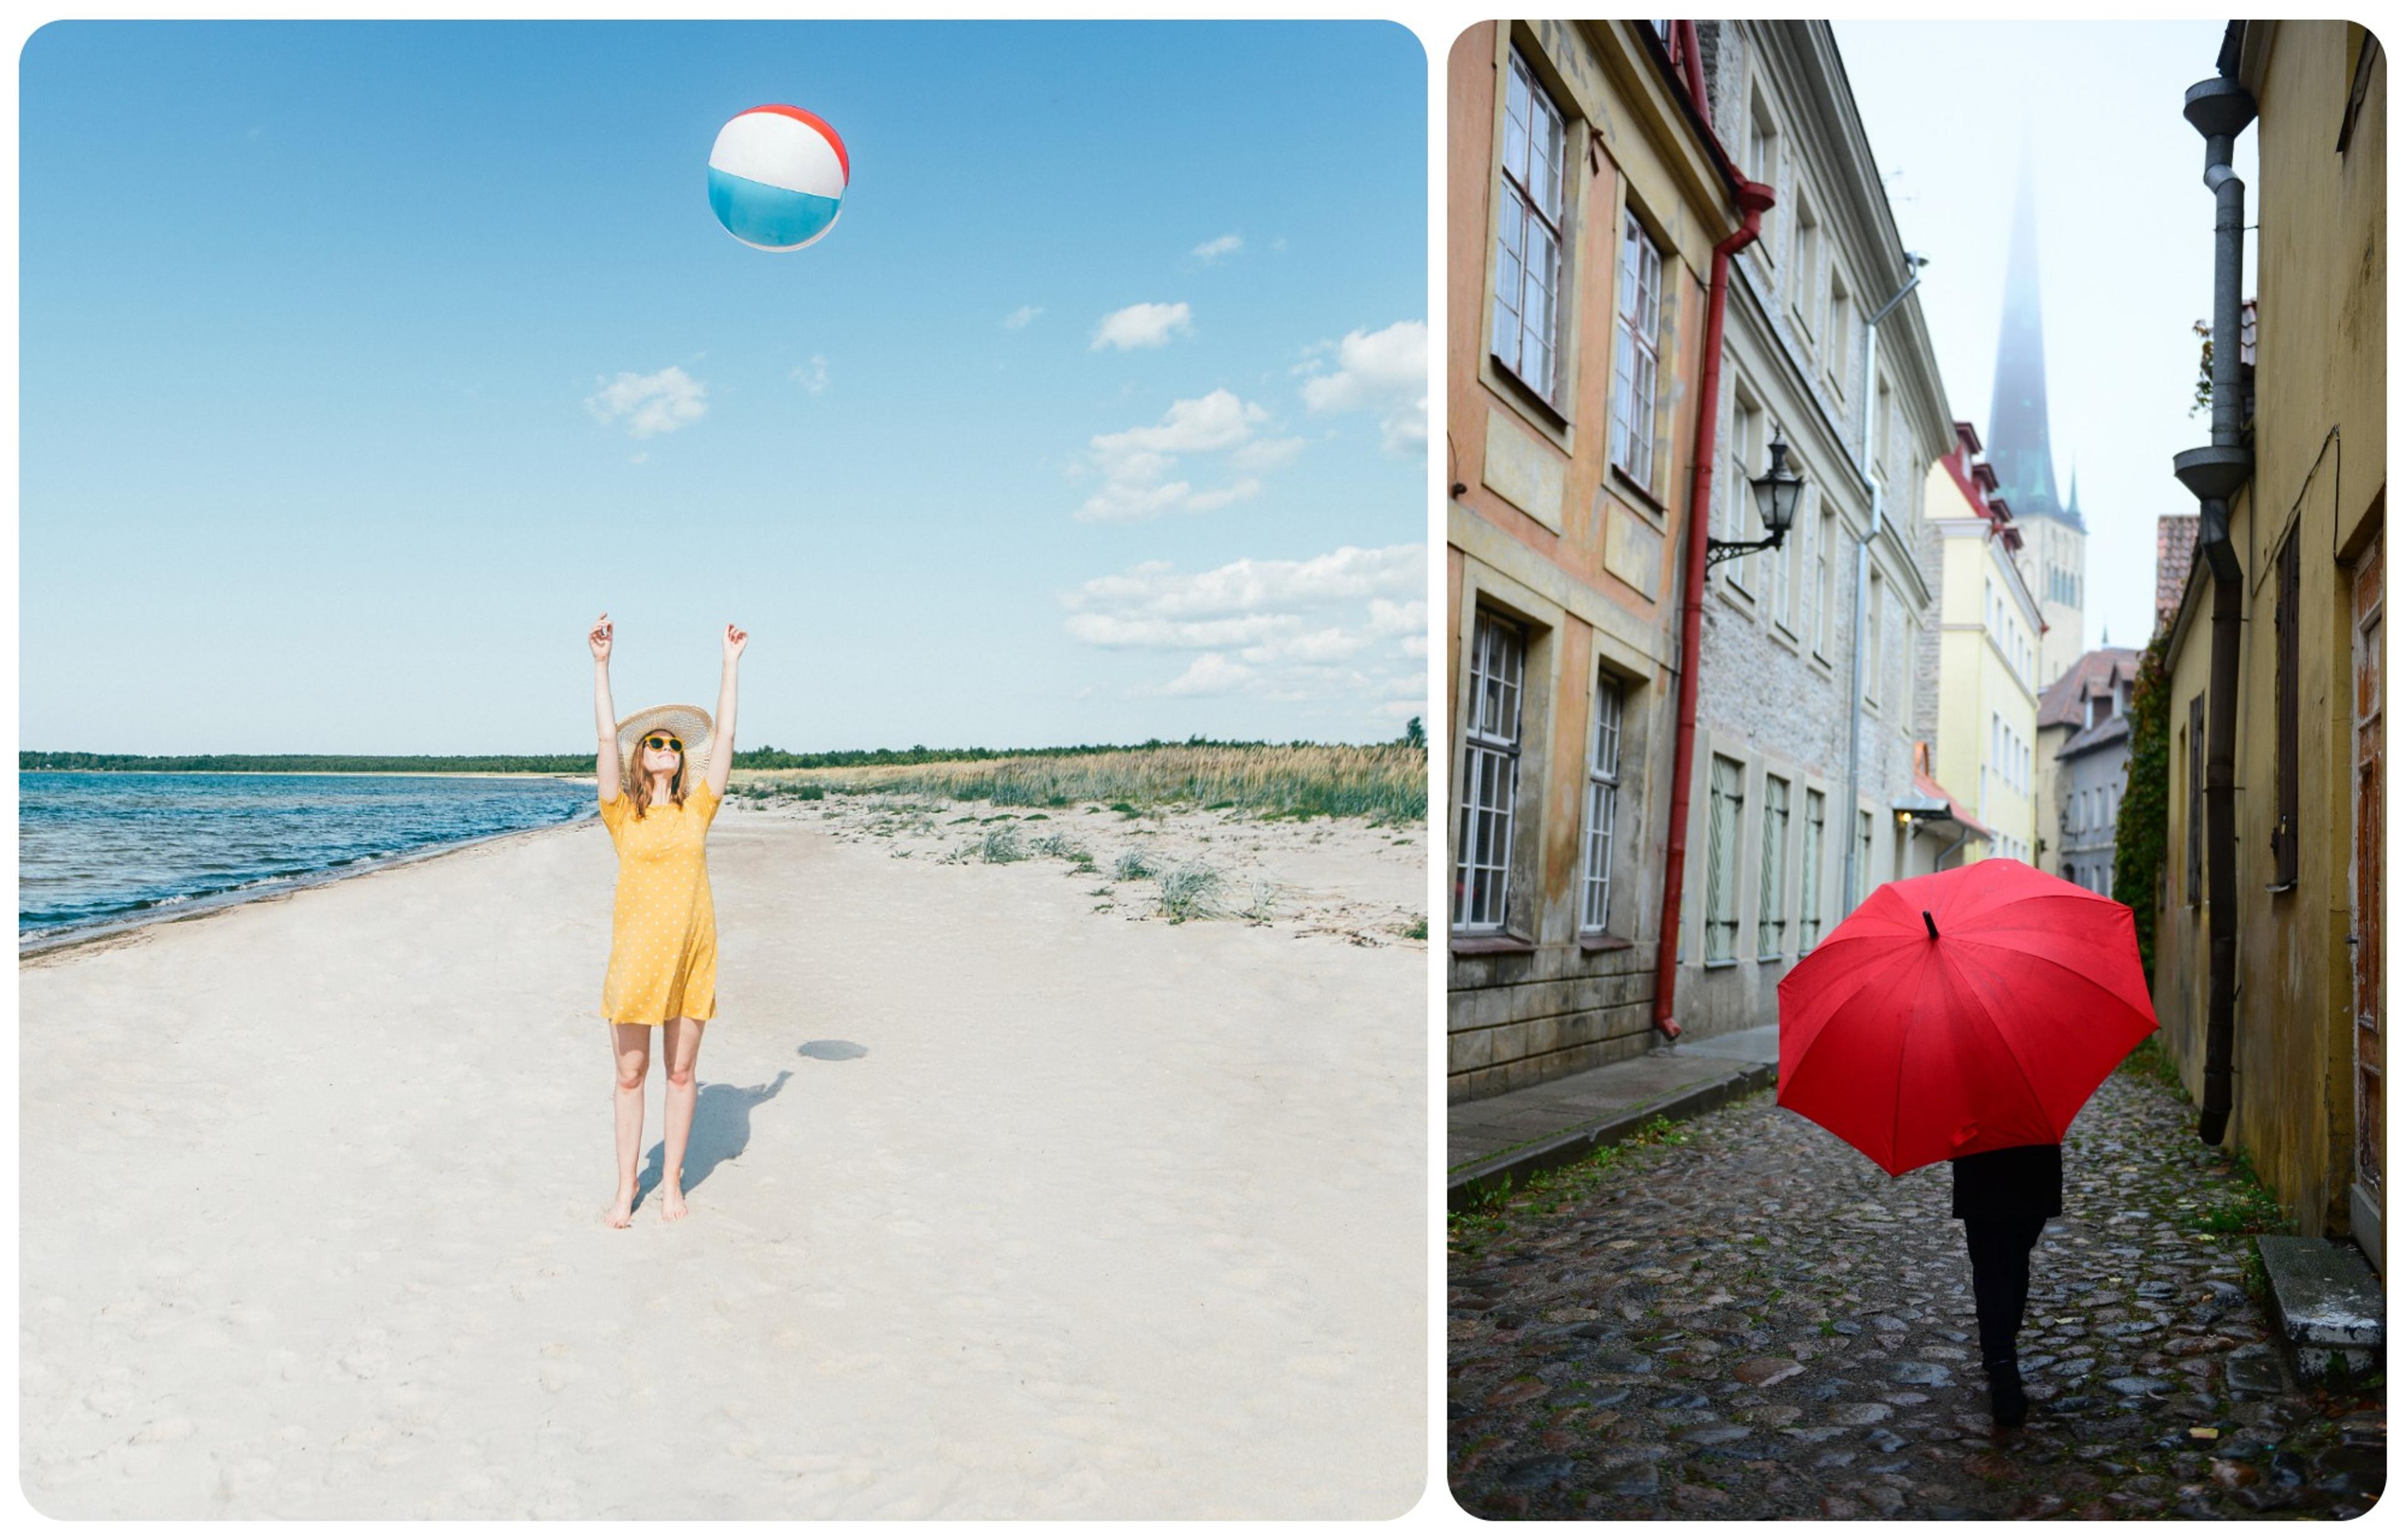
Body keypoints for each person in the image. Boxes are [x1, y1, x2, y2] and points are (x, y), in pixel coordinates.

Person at [586, 611, 748, 1227]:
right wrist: (602, 666)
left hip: (690, 953)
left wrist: (729, 666)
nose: (666, 749)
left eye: (674, 745)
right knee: (631, 1075)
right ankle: (627, 1186)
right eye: (655, 742)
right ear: (640, 758)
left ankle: (673, 1181)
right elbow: (606, 741)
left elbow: (727, 738)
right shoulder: (621, 814)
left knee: (682, 1072)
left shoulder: (698, 809)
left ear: (683, 762)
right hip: (636, 957)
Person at [1950, 1141, 2063, 1429]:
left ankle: (2000, 1352)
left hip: (2027, 1160)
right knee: (1997, 1265)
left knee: (2008, 1261)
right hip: (1988, 1161)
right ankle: (2002, 1363)